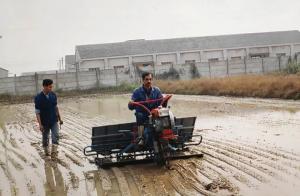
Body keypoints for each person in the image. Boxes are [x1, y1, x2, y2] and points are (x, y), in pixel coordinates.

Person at [128, 72, 163, 145]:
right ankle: (141, 138)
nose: (149, 81)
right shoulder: (137, 92)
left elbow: (162, 102)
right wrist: (131, 103)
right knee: (139, 115)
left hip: (154, 114)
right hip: (143, 115)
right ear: (143, 80)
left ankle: (164, 135)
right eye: (146, 79)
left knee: (166, 114)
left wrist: (163, 103)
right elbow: (131, 106)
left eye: (150, 79)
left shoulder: (157, 90)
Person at [34, 79, 63, 156]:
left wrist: (60, 119)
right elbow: (37, 112)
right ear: (44, 86)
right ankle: (46, 151)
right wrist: (40, 124)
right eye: (50, 87)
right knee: (45, 138)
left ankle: (54, 152)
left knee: (56, 135)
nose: (51, 88)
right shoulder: (38, 98)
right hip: (44, 122)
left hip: (54, 120)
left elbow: (56, 107)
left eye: (51, 87)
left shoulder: (53, 95)